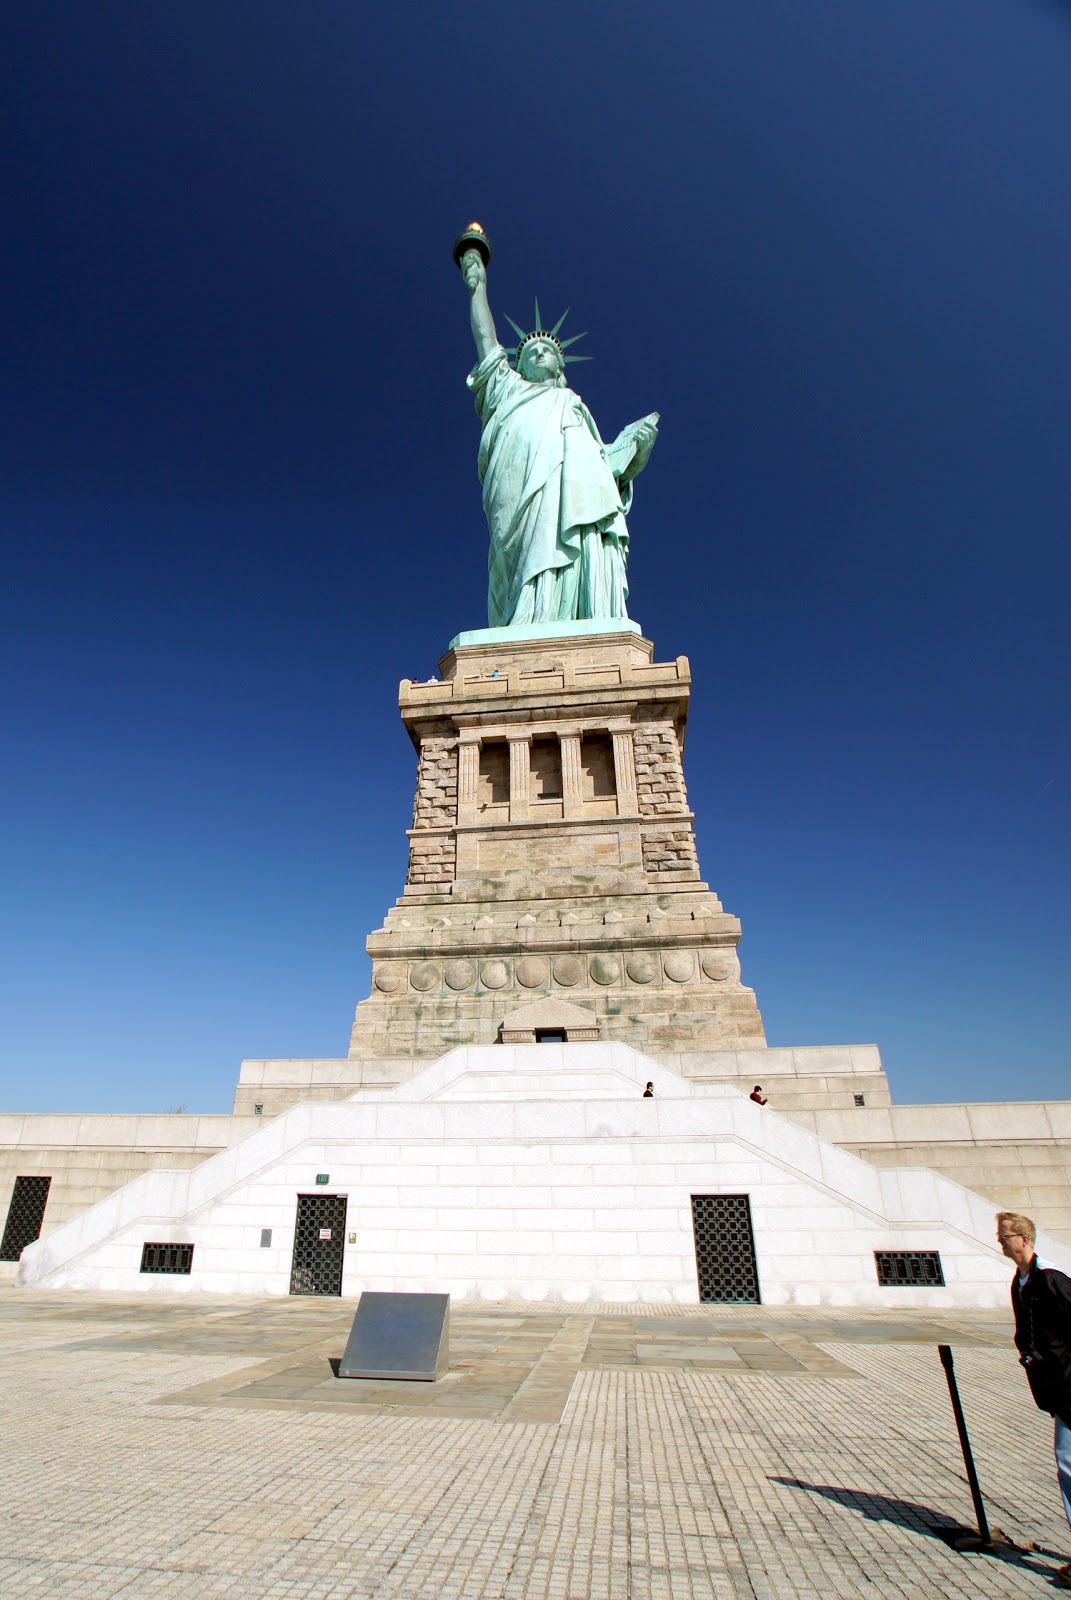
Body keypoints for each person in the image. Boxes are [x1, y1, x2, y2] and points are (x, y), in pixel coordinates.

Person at [459, 246, 658, 628]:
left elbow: (607, 469)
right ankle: (525, 620)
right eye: (529, 351)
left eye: (545, 350)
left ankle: (584, 617)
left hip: (577, 496)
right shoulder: (507, 389)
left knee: (584, 531)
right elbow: (485, 340)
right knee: (519, 556)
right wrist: (477, 287)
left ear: (560, 363)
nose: (537, 354)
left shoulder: (573, 405)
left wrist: (633, 450)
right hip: (517, 494)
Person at [997, 1210, 1071, 1582]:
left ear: (1024, 1239)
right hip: (1056, 1386)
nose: (1000, 1241)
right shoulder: (1021, 1281)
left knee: (1068, 1462)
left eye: (1005, 1235)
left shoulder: (1051, 1279)